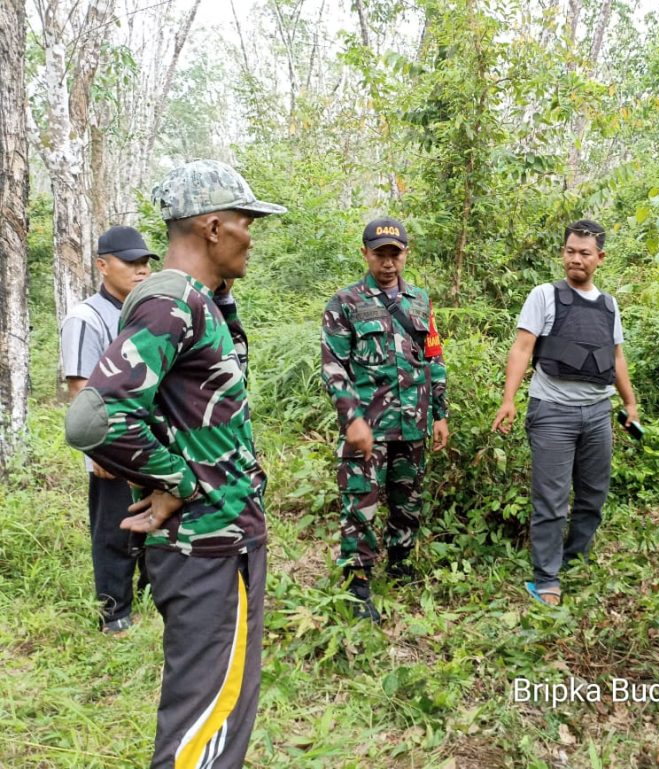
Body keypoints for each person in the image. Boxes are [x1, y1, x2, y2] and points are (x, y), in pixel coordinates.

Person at [65, 159, 285, 769]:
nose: (252, 234)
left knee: (216, 712)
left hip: (221, 543)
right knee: (203, 730)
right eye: (245, 221)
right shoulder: (170, 301)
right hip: (207, 549)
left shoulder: (202, 302)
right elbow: (92, 419)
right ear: (213, 227)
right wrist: (180, 480)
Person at [491, 219, 640, 607]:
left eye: (585, 253)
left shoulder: (609, 305)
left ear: (600, 258)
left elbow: (616, 356)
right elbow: (522, 348)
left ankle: (575, 560)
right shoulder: (544, 295)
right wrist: (508, 400)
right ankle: (547, 579)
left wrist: (630, 402)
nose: (576, 259)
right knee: (552, 499)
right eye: (570, 251)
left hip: (597, 413)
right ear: (563, 253)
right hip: (552, 411)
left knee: (593, 495)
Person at [321, 216, 449, 623]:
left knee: (406, 500)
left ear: (405, 254)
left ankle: (400, 563)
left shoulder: (420, 301)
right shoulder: (345, 303)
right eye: (380, 254)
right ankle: (358, 584)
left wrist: (439, 414)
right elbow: (333, 367)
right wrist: (351, 419)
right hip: (368, 428)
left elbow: (433, 357)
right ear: (366, 254)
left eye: (395, 254)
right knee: (359, 503)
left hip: (413, 423)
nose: (388, 263)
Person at [60, 225, 156, 634]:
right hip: (113, 447)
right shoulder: (86, 318)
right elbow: (81, 391)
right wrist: (99, 452)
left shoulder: (146, 311)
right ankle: (114, 614)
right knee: (115, 532)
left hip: (152, 444)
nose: (140, 271)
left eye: (145, 263)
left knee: (155, 526)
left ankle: (154, 600)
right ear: (102, 265)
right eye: (130, 262)